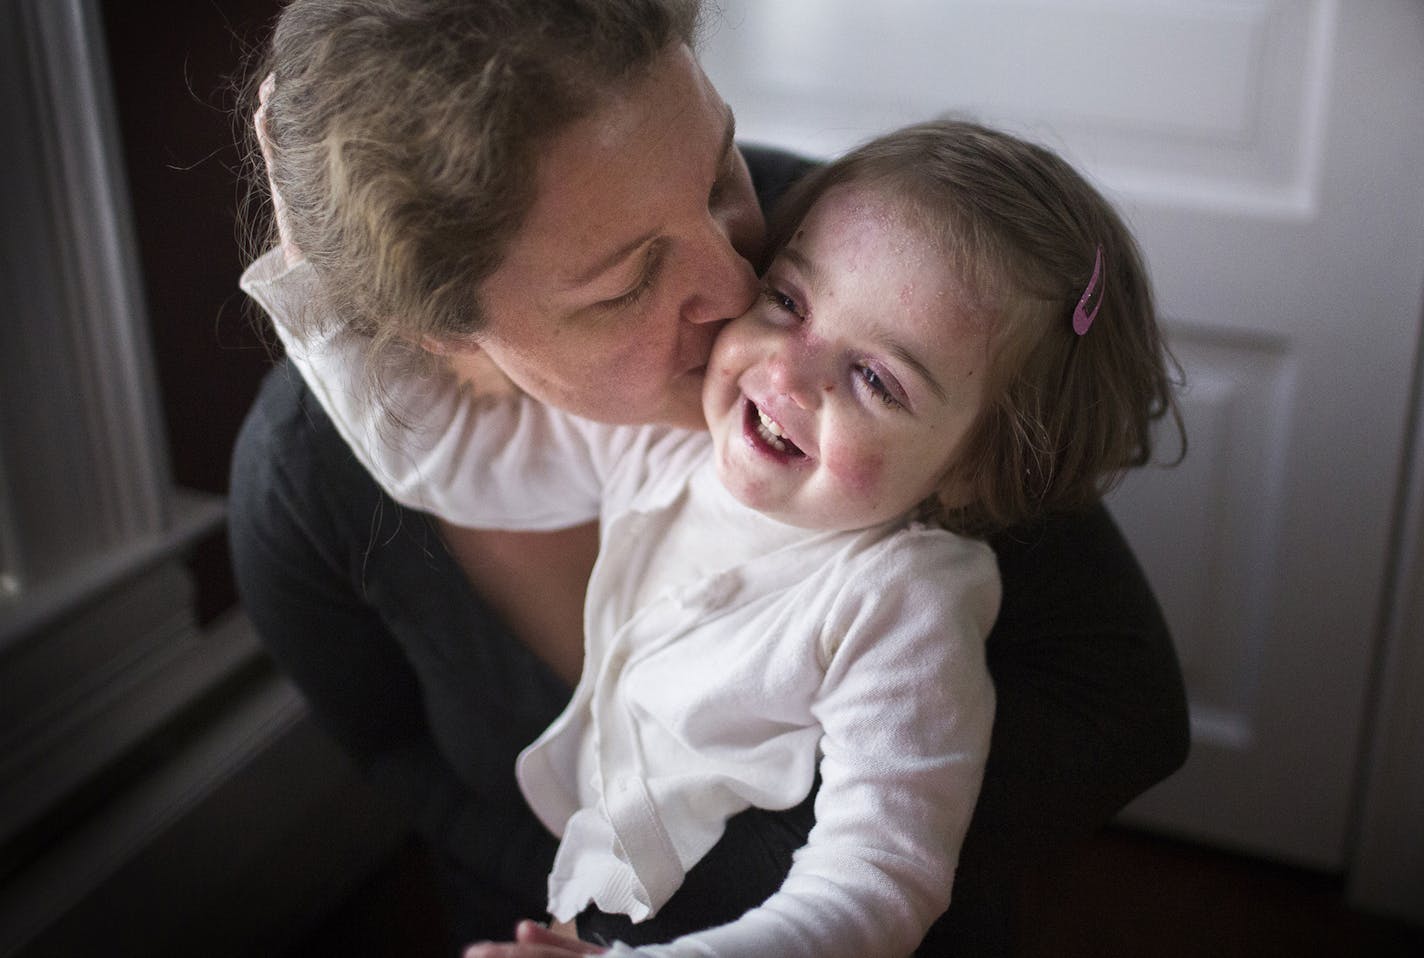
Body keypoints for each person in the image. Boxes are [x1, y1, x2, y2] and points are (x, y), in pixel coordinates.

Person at [230, 0, 1190, 953]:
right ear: (437, 325)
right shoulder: (663, 448)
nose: (744, 297)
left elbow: (874, 885)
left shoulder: (899, 586)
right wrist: (319, 281)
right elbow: (441, 461)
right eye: (628, 283)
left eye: (717, 167)